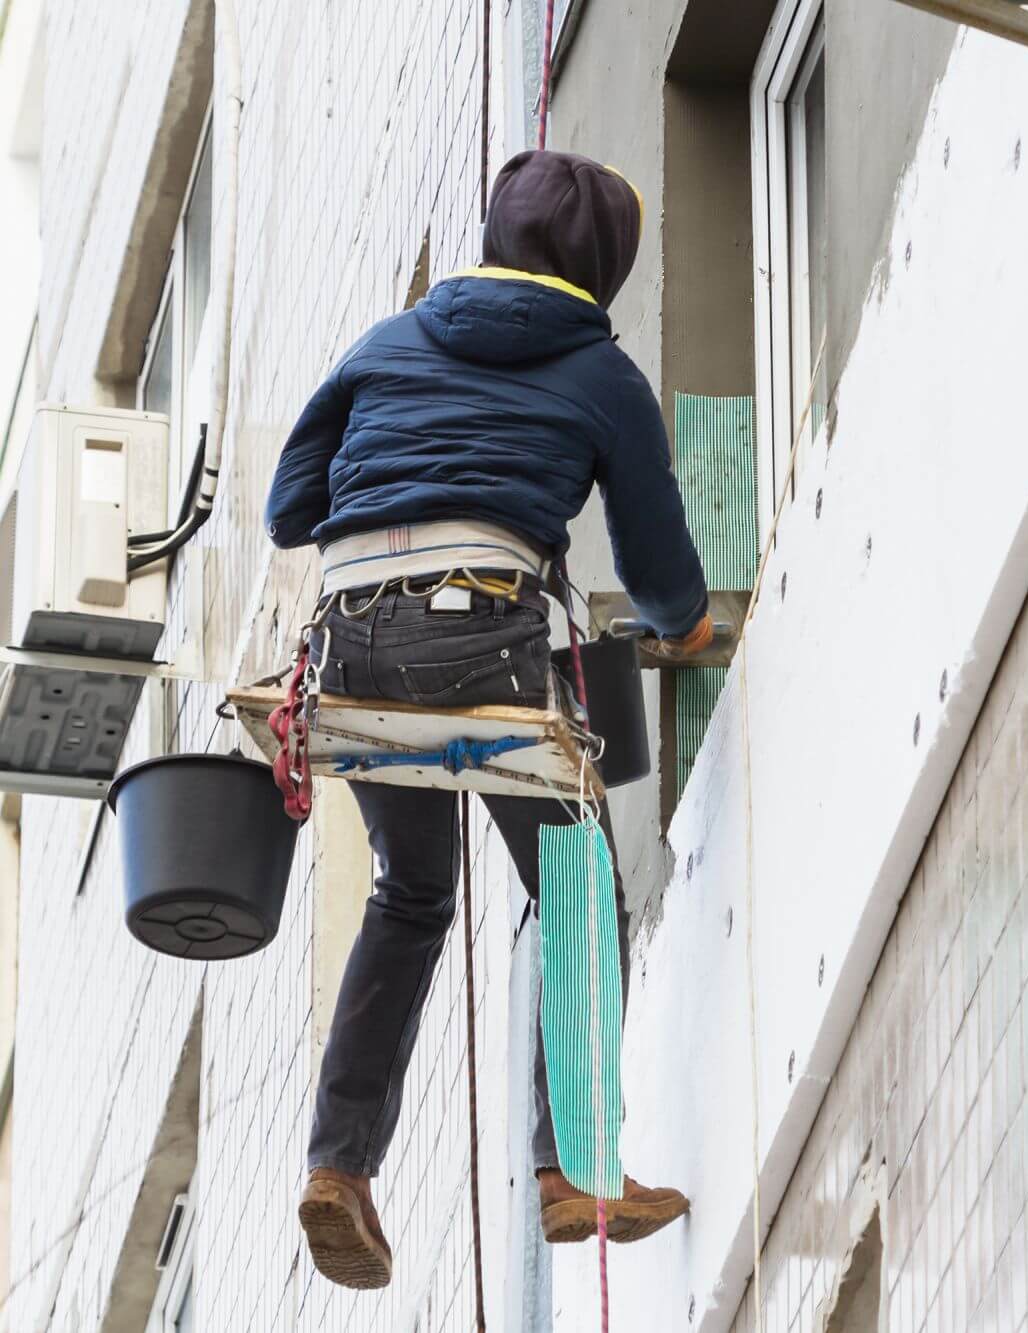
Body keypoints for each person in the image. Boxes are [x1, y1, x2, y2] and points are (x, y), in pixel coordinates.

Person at [265, 149, 709, 1292]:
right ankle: (573, 1171)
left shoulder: (385, 341)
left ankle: (338, 1167)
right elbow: (656, 563)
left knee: (410, 894)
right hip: (488, 633)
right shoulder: (600, 373)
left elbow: (289, 510)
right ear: (607, 261)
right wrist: (689, 630)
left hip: (354, 642)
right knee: (573, 887)